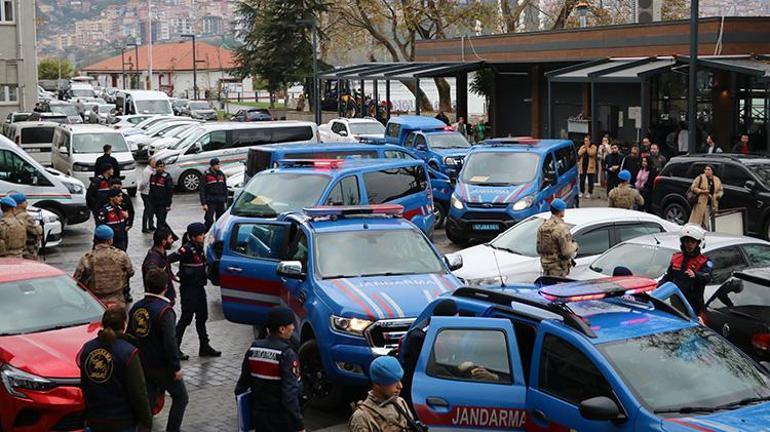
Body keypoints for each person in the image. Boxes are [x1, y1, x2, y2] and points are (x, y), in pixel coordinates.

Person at [128, 268, 188, 432]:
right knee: (181, 397)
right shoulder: (165, 310)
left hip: (142, 365)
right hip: (162, 367)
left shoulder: (136, 308)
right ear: (165, 287)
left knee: (147, 403)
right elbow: (170, 342)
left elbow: (129, 336)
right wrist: (175, 367)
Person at [78, 306, 152, 432]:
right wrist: (146, 421)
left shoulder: (88, 349)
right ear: (124, 324)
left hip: (95, 419)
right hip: (122, 420)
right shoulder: (128, 352)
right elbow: (138, 391)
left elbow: (85, 385)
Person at [235, 306, 304, 432]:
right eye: (291, 325)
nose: (293, 328)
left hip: (260, 418)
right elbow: (289, 396)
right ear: (282, 329)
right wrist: (299, 424)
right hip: (282, 420)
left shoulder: (253, 349)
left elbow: (241, 387)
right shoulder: (287, 354)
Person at [175, 223, 220, 358]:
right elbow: (169, 259)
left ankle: (204, 346)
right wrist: (171, 277)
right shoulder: (186, 250)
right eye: (200, 235)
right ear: (193, 237)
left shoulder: (200, 248)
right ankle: (175, 347)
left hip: (199, 288)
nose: (203, 236)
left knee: (202, 317)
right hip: (189, 290)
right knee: (186, 318)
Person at [401, 299, 457, 405]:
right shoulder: (421, 336)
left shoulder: (442, 330)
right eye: (456, 317)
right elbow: (420, 366)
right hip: (418, 391)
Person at [349, 356, 417, 432]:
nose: (400, 386)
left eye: (399, 380)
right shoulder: (362, 418)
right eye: (393, 382)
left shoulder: (400, 402)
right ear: (377, 384)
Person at [73, 225, 134, 308]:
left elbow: (77, 279)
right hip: (117, 300)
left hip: (95, 302)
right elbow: (130, 272)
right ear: (110, 240)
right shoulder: (121, 255)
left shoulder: (87, 259)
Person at [658, 224, 713, 315]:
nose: (689, 244)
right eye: (687, 242)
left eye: (692, 242)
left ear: (698, 243)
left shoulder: (704, 261)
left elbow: (707, 277)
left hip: (694, 303)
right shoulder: (676, 258)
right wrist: (658, 288)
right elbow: (668, 276)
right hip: (676, 301)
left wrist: (696, 275)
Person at [536, 199, 578, 277]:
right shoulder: (561, 228)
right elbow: (567, 252)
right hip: (559, 269)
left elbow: (539, 249)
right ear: (561, 212)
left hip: (546, 268)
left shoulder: (543, 227)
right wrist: (575, 245)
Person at [143, 227, 179, 304]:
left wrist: (172, 276)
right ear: (163, 242)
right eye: (170, 239)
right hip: (159, 300)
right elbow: (153, 276)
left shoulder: (162, 253)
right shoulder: (153, 260)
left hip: (165, 297)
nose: (172, 241)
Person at [688, 164, 723, 230]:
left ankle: (709, 230)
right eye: (705, 169)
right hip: (701, 202)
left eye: (709, 170)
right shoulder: (700, 178)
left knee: (711, 218)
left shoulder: (716, 179)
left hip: (713, 203)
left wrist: (718, 196)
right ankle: (700, 230)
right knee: (700, 219)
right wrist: (702, 191)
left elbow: (721, 190)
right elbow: (693, 188)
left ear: (712, 171)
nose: (707, 171)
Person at [9, 192, 43, 260]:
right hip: (28, 249)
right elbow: (37, 230)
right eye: (25, 201)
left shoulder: (10, 214)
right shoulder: (25, 216)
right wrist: (40, 227)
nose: (27, 202)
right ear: (20, 204)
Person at [200, 158, 227, 230]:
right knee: (209, 220)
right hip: (210, 201)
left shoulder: (221, 174)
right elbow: (202, 190)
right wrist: (204, 203)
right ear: (212, 166)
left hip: (220, 201)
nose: (219, 166)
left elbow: (224, 188)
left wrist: (225, 200)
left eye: (219, 164)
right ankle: (203, 234)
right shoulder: (206, 175)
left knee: (220, 221)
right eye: (217, 164)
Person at [149, 160, 174, 232]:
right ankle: (170, 235)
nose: (160, 168)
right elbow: (151, 188)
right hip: (154, 202)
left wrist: (168, 204)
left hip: (162, 203)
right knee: (161, 221)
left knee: (161, 221)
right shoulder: (153, 175)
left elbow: (169, 192)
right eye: (158, 167)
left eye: (161, 167)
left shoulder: (167, 177)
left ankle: (163, 235)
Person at [138, 158, 156, 233]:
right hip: (146, 193)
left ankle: (151, 225)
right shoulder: (147, 171)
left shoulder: (152, 170)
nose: (155, 163)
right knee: (147, 210)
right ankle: (144, 227)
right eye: (154, 162)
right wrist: (141, 189)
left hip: (150, 193)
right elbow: (144, 183)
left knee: (151, 210)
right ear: (150, 162)